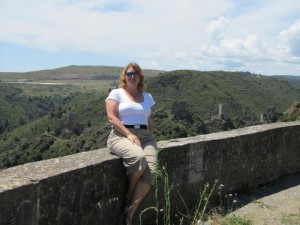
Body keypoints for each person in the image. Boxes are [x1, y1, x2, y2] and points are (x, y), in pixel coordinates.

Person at [105, 62, 157, 225]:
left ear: (140, 76)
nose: (132, 76)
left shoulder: (147, 97)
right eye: (129, 74)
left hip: (146, 136)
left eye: (135, 74)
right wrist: (129, 134)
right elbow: (112, 117)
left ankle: (130, 213)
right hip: (121, 134)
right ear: (125, 77)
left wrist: (150, 137)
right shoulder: (117, 93)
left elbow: (149, 120)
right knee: (138, 158)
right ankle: (129, 194)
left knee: (152, 171)